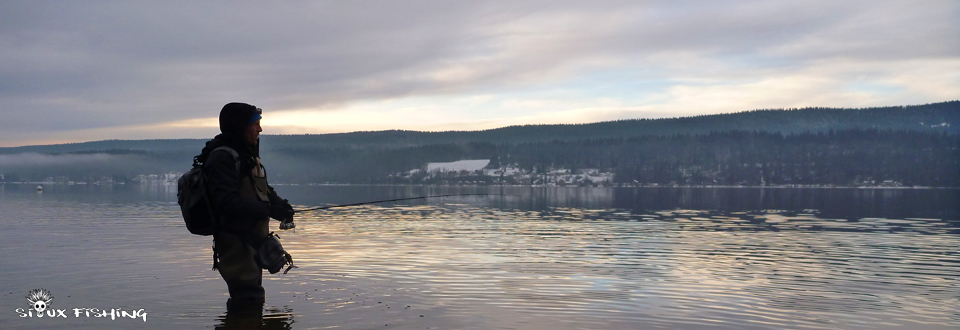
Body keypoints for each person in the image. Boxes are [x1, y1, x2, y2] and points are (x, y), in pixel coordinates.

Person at [193, 102, 295, 310]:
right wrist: (269, 210)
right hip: (236, 245)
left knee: (252, 299)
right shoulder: (222, 158)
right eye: (255, 124)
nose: (260, 129)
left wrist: (280, 206)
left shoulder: (246, 156)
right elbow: (226, 203)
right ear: (240, 127)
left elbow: (263, 191)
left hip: (253, 243)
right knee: (248, 300)